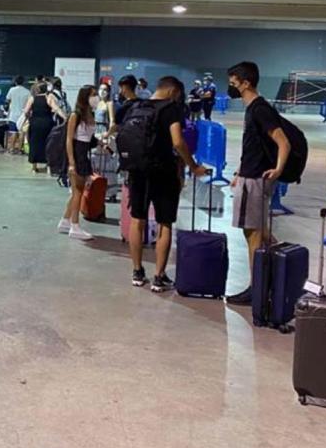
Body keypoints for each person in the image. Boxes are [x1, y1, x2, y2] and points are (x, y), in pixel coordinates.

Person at [124, 76, 208, 289]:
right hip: (163, 172)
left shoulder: (137, 106)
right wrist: (193, 166)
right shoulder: (170, 108)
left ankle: (137, 271)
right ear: (173, 92)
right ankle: (159, 277)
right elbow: (178, 141)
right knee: (164, 222)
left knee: (137, 219)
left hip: (137, 171)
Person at [224, 62, 290, 305]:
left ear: (246, 83)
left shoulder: (260, 109)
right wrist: (239, 170)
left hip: (256, 180)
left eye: (233, 83)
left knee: (253, 232)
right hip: (248, 175)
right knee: (257, 230)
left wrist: (278, 169)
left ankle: (257, 289)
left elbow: (283, 142)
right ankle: (274, 272)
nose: (231, 87)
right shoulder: (251, 109)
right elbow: (253, 146)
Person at [56, 86, 101, 241]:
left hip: (84, 153)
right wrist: (71, 163)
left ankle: (65, 221)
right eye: (93, 95)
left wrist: (100, 142)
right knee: (78, 192)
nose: (97, 97)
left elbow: (89, 137)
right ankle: (75, 226)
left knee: (78, 190)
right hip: (76, 154)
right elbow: (69, 139)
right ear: (85, 97)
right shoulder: (76, 115)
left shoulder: (91, 114)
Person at [21, 82, 64, 173]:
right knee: (48, 144)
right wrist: (65, 117)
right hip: (47, 123)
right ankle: (48, 166)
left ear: (38, 89)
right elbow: (56, 109)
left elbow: (26, 111)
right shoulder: (49, 97)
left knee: (34, 144)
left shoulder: (32, 98)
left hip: (35, 123)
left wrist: (28, 116)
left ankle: (34, 167)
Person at [2, 75, 31, 154]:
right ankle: (19, 150)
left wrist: (6, 110)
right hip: (23, 116)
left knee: (13, 132)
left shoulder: (12, 90)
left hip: (13, 115)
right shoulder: (27, 92)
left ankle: (11, 149)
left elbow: (7, 101)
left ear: (15, 82)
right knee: (21, 133)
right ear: (23, 82)